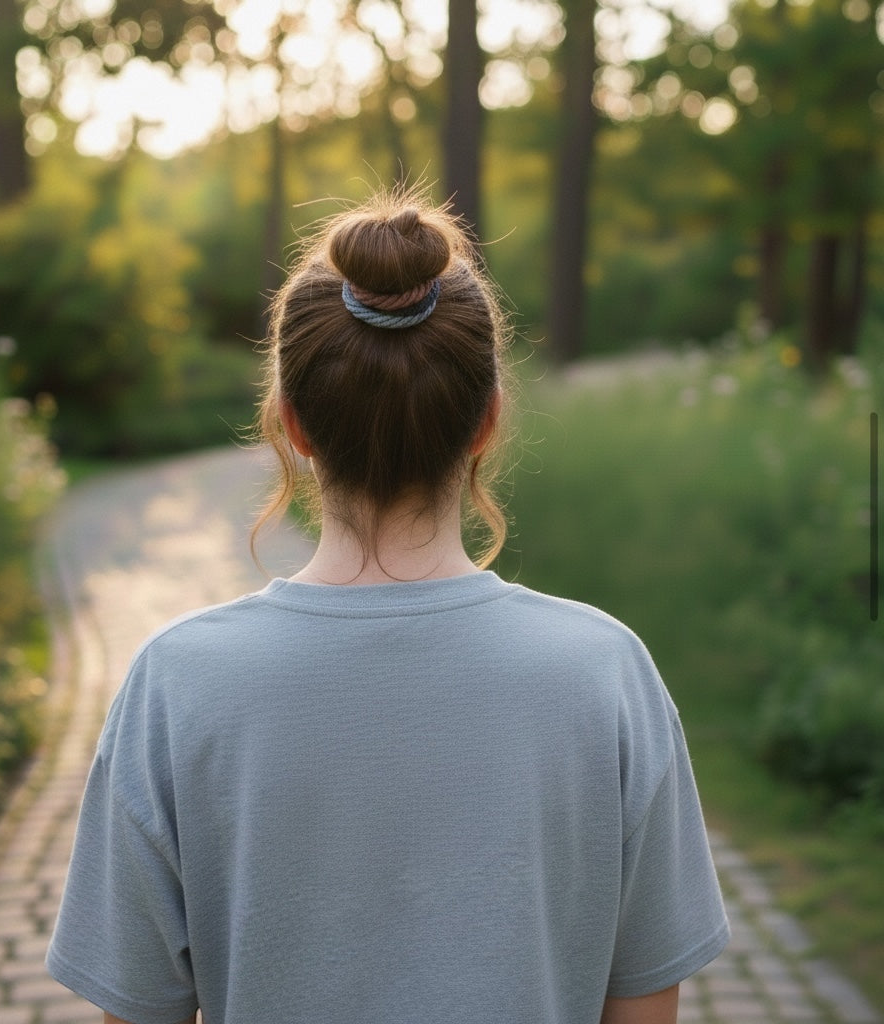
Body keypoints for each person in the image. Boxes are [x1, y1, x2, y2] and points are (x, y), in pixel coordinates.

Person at [46, 190, 730, 1024]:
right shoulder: (605, 671)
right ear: (487, 421)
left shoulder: (175, 684)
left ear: (291, 426)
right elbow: (644, 1005)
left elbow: (139, 1007)